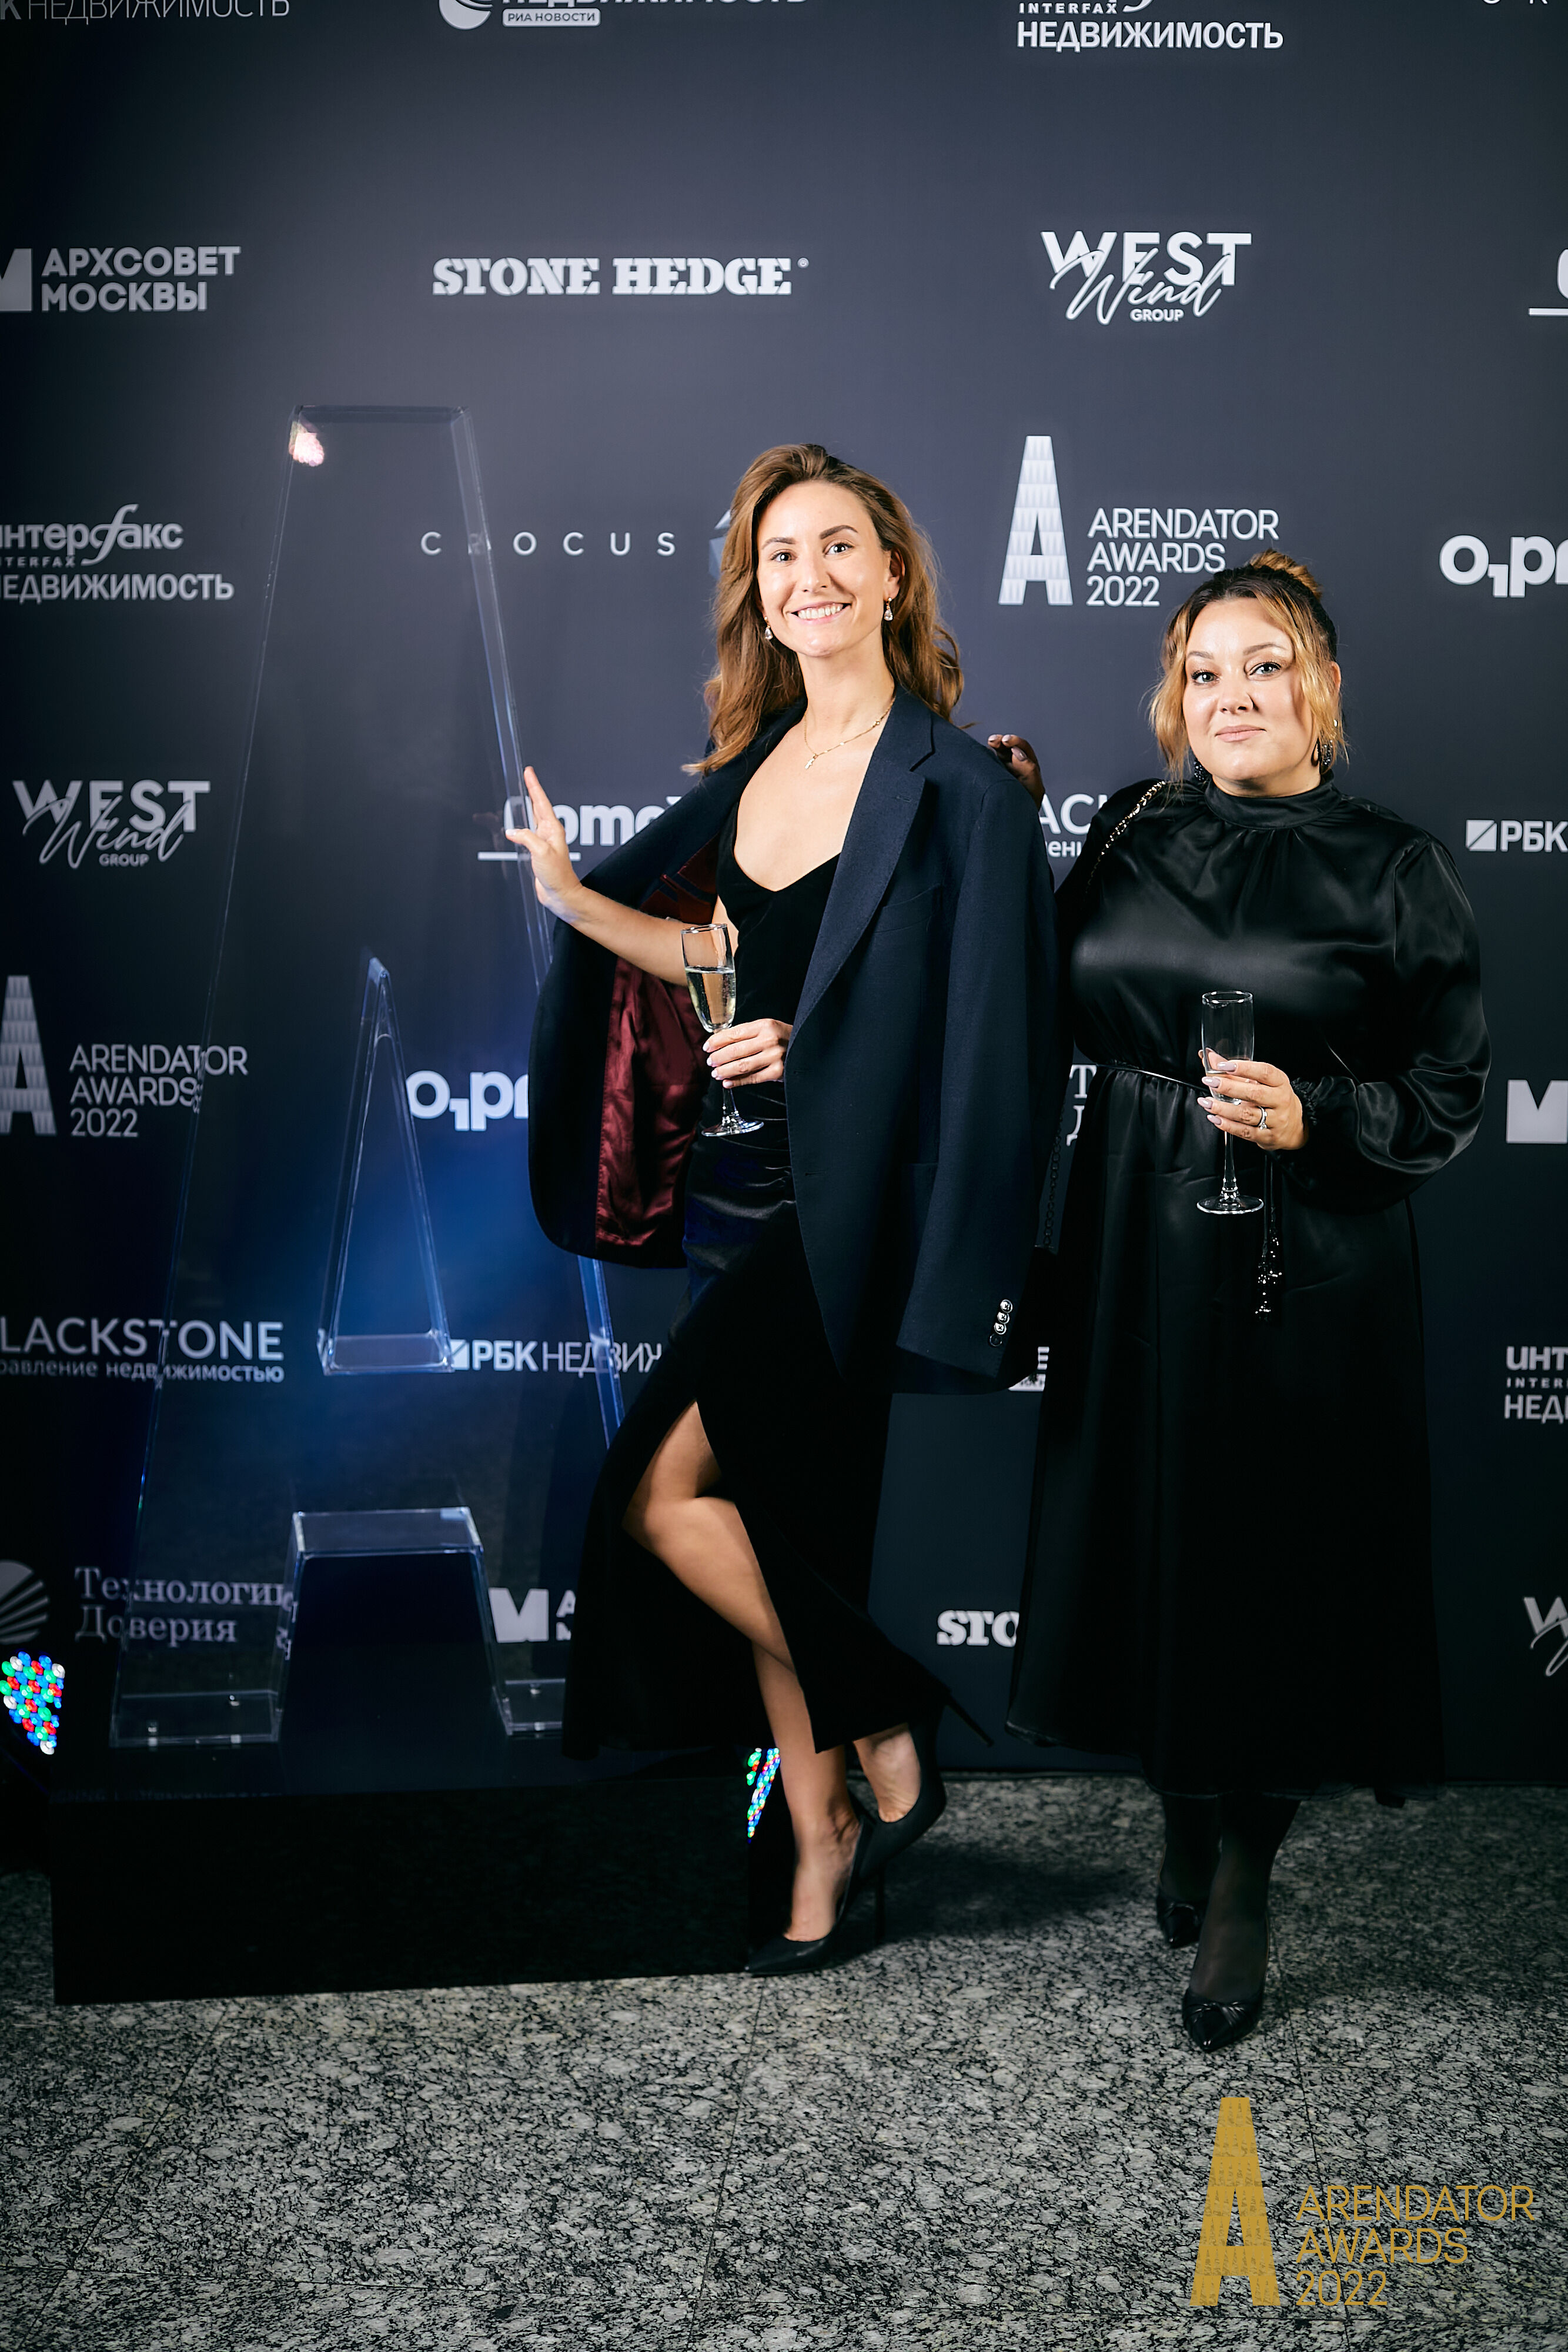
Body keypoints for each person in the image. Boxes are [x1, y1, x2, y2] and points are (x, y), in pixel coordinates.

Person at [519, 444, 1060, 1973]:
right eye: (778, 557)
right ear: (756, 597)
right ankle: (821, 1845)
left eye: (835, 548)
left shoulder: (963, 788)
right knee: (776, 1519)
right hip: (729, 1201)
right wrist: (571, 900)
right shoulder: (752, 770)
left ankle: (890, 1726)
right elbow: (720, 962)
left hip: (849, 1222)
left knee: (657, 1498)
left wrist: (812, 1053)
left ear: (890, 576)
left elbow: (992, 1036)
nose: (807, 575)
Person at [1003, 552, 1488, 2049]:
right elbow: (1033, 999)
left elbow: (1448, 1086)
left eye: (1262, 665)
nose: (1231, 697)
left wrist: (1315, 1117)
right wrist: (996, 837)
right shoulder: (1126, 826)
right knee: (1147, 1538)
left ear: (1318, 685)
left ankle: (1240, 1875)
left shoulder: (1393, 867)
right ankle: (1179, 1797)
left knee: (1272, 1556)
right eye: (1202, 671)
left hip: (1304, 1263)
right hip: (1129, 1240)